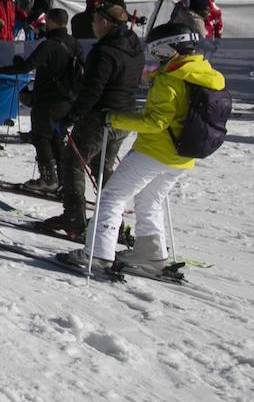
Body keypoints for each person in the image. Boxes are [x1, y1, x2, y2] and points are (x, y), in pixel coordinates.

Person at [58, 23, 225, 274]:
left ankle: (98, 253)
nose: (156, 58)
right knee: (150, 200)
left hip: (154, 152)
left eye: (158, 52)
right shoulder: (203, 73)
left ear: (171, 48)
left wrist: (113, 118)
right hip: (183, 156)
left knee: (112, 197)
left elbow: (155, 122)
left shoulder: (171, 80)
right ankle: (152, 254)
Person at [39, 0, 145, 239]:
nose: (93, 25)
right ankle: (111, 220)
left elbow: (92, 92)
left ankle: (74, 217)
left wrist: (70, 118)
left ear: (106, 23)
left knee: (72, 161)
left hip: (101, 116)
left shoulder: (105, 51)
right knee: (101, 166)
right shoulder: (132, 45)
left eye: (96, 21)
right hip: (125, 115)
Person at [0, 8, 80, 194]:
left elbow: (28, 66)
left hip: (48, 99)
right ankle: (63, 178)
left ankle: (48, 178)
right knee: (57, 138)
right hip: (68, 99)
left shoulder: (49, 44)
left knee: (41, 137)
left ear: (50, 22)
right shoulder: (74, 43)